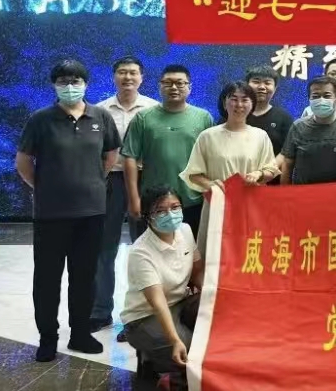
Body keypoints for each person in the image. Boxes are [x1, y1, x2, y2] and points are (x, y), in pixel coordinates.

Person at [16, 59, 121, 361]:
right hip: (51, 214)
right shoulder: (40, 119)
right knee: (47, 279)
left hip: (91, 212)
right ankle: (48, 338)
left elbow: (110, 155)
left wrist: (92, 182)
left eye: (76, 80)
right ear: (54, 85)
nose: (70, 86)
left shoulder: (100, 116)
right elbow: (23, 162)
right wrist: (45, 187)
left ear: (86, 84)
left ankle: (80, 334)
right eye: (63, 81)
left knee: (84, 277)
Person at [91, 56, 157, 332]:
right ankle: (100, 311)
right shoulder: (100, 109)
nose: (127, 77)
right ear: (114, 76)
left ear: (142, 77)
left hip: (145, 180)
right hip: (110, 181)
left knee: (145, 250)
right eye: (122, 72)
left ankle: (140, 315)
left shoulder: (153, 108)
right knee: (103, 248)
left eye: (133, 73)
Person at [180, 82, 280, 254]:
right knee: (215, 255)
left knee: (248, 254)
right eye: (233, 99)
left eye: (245, 100)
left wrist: (258, 174)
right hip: (217, 205)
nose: (239, 105)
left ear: (252, 104)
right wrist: (210, 184)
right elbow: (193, 174)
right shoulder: (208, 136)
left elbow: (271, 170)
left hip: (250, 205)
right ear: (224, 102)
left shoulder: (260, 136)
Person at [121, 185, 203, 387]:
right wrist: (175, 340)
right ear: (148, 216)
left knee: (214, 323)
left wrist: (211, 298)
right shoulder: (141, 252)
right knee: (190, 353)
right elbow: (157, 302)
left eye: (175, 207)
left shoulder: (185, 230)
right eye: (160, 210)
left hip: (179, 302)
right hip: (145, 317)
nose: (170, 214)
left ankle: (161, 358)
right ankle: (162, 373)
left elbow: (197, 271)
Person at [123, 64, 215, 241]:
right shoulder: (143, 118)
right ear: (159, 86)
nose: (174, 87)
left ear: (189, 87)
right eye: (168, 83)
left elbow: (211, 159)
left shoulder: (203, 118)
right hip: (154, 202)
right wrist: (134, 199)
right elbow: (130, 158)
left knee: (191, 252)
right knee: (154, 251)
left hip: (193, 200)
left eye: (180, 83)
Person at [280, 76, 336, 184]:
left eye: (327, 96)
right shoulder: (298, 127)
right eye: (316, 96)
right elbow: (287, 163)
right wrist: (285, 192)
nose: (321, 100)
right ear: (309, 99)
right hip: (304, 191)